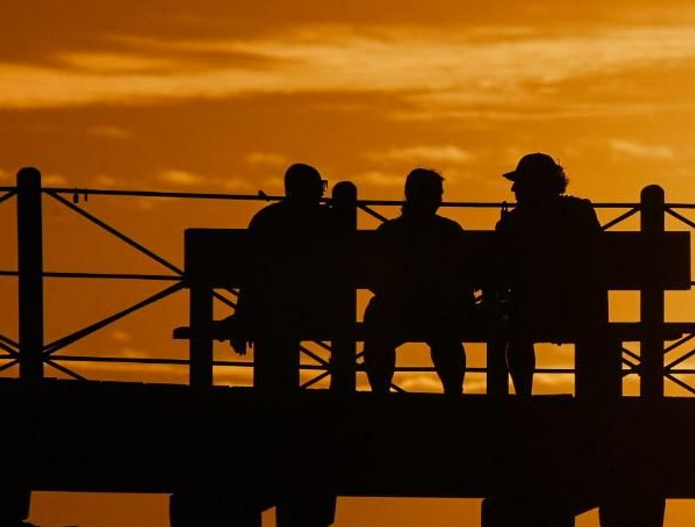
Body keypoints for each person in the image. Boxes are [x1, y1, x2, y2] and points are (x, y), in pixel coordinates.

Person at [493, 153, 603, 395]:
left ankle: (523, 396)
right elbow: (598, 260)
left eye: (519, 182)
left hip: (531, 311)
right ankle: (593, 401)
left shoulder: (516, 222)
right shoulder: (581, 211)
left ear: (534, 184)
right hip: (580, 309)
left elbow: (499, 271)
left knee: (512, 328)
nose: (513, 189)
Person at [229, 162, 343, 391]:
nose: (322, 192)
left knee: (274, 331)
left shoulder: (266, 219)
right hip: (322, 312)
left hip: (271, 312)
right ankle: (335, 395)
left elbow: (252, 274)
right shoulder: (330, 222)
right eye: (320, 186)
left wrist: (242, 315)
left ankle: (273, 399)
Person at [363, 168, 472, 395]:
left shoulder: (389, 232)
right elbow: (466, 274)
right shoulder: (449, 231)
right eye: (437, 194)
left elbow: (374, 277)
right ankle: (454, 393)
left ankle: (379, 392)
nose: (440, 200)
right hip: (440, 310)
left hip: (398, 309)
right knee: (446, 336)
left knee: (377, 321)